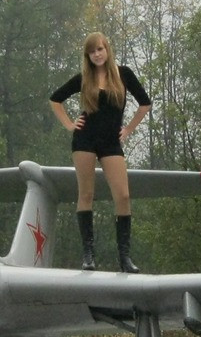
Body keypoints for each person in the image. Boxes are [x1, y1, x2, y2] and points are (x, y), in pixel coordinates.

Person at [49, 33, 151, 272]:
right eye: (92, 51)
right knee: (86, 194)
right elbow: (55, 99)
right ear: (88, 56)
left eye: (100, 49)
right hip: (84, 140)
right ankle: (88, 256)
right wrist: (69, 125)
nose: (97, 54)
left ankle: (124, 258)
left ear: (107, 50)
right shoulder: (84, 78)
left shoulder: (124, 74)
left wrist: (128, 129)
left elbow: (145, 103)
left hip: (111, 143)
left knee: (123, 196)